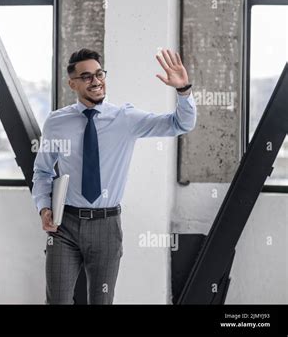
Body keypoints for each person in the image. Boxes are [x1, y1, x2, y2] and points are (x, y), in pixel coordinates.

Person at [31, 48, 196, 304]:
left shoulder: (125, 118)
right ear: (72, 83)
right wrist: (43, 208)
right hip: (65, 225)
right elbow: (42, 171)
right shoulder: (57, 122)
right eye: (86, 77)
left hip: (106, 227)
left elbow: (180, 124)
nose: (96, 81)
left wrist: (183, 90)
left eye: (99, 74)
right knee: (57, 302)